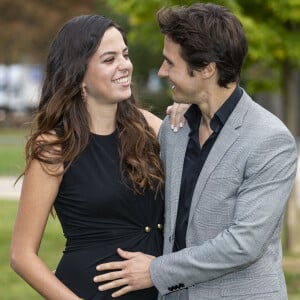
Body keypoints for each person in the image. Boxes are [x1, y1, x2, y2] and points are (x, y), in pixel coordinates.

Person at [93, 3, 298, 300]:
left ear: (206, 69)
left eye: (170, 63)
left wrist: (155, 272)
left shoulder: (269, 139)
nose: (162, 72)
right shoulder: (174, 129)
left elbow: (244, 244)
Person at [10, 14, 186, 300]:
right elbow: (22, 255)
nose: (124, 66)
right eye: (109, 59)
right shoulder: (54, 147)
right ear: (79, 75)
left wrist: (186, 118)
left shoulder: (148, 125)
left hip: (157, 289)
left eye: (125, 55)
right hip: (90, 292)